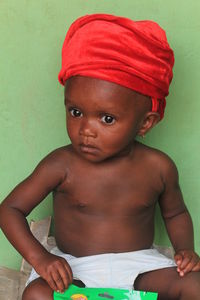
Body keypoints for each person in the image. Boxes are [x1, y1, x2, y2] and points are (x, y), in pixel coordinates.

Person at [0, 13, 200, 300]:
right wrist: (41, 258)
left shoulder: (158, 167)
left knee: (195, 286)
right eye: (76, 112)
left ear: (146, 123)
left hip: (141, 267)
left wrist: (185, 250)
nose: (86, 130)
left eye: (106, 118)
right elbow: (10, 210)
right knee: (37, 295)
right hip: (75, 269)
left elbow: (176, 212)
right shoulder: (61, 164)